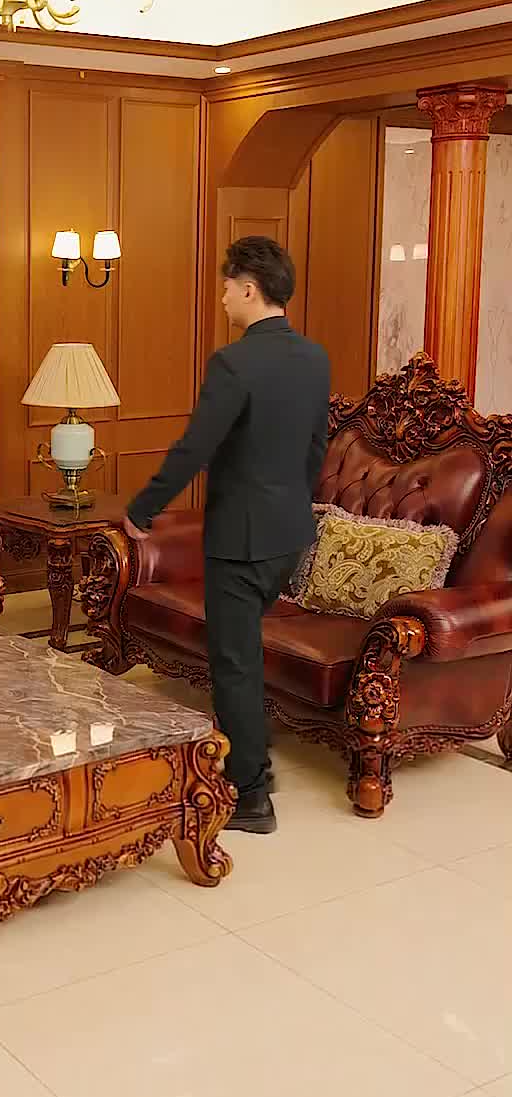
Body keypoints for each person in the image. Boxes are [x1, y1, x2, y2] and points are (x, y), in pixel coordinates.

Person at [124, 236, 330, 834]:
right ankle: (254, 757)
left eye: (226, 288)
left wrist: (143, 508)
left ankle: (251, 796)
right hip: (291, 535)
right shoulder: (314, 358)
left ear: (249, 288)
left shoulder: (233, 363)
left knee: (234, 663)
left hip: (240, 541)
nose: (221, 298)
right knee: (247, 652)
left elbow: (195, 448)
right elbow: (316, 445)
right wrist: (290, 503)